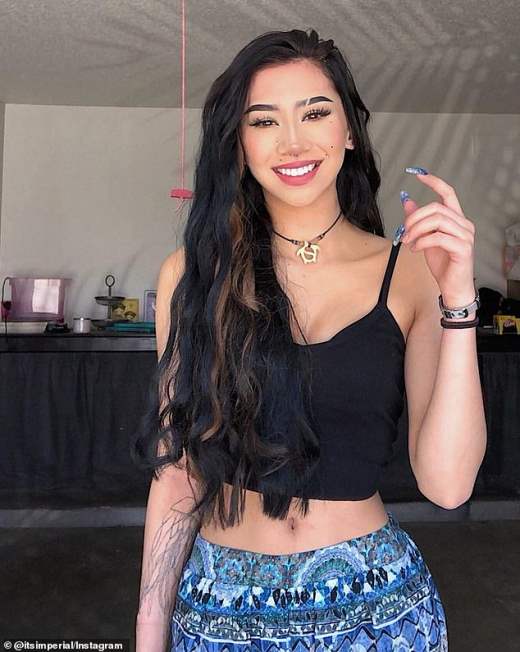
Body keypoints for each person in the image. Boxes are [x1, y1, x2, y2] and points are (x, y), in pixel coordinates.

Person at [134, 28, 487, 651]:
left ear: (348, 130)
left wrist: (458, 303)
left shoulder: (409, 272)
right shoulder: (193, 274)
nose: (293, 141)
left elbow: (448, 486)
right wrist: (148, 632)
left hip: (377, 611)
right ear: (239, 143)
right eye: (264, 121)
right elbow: (178, 474)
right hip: (219, 612)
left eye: (316, 113)